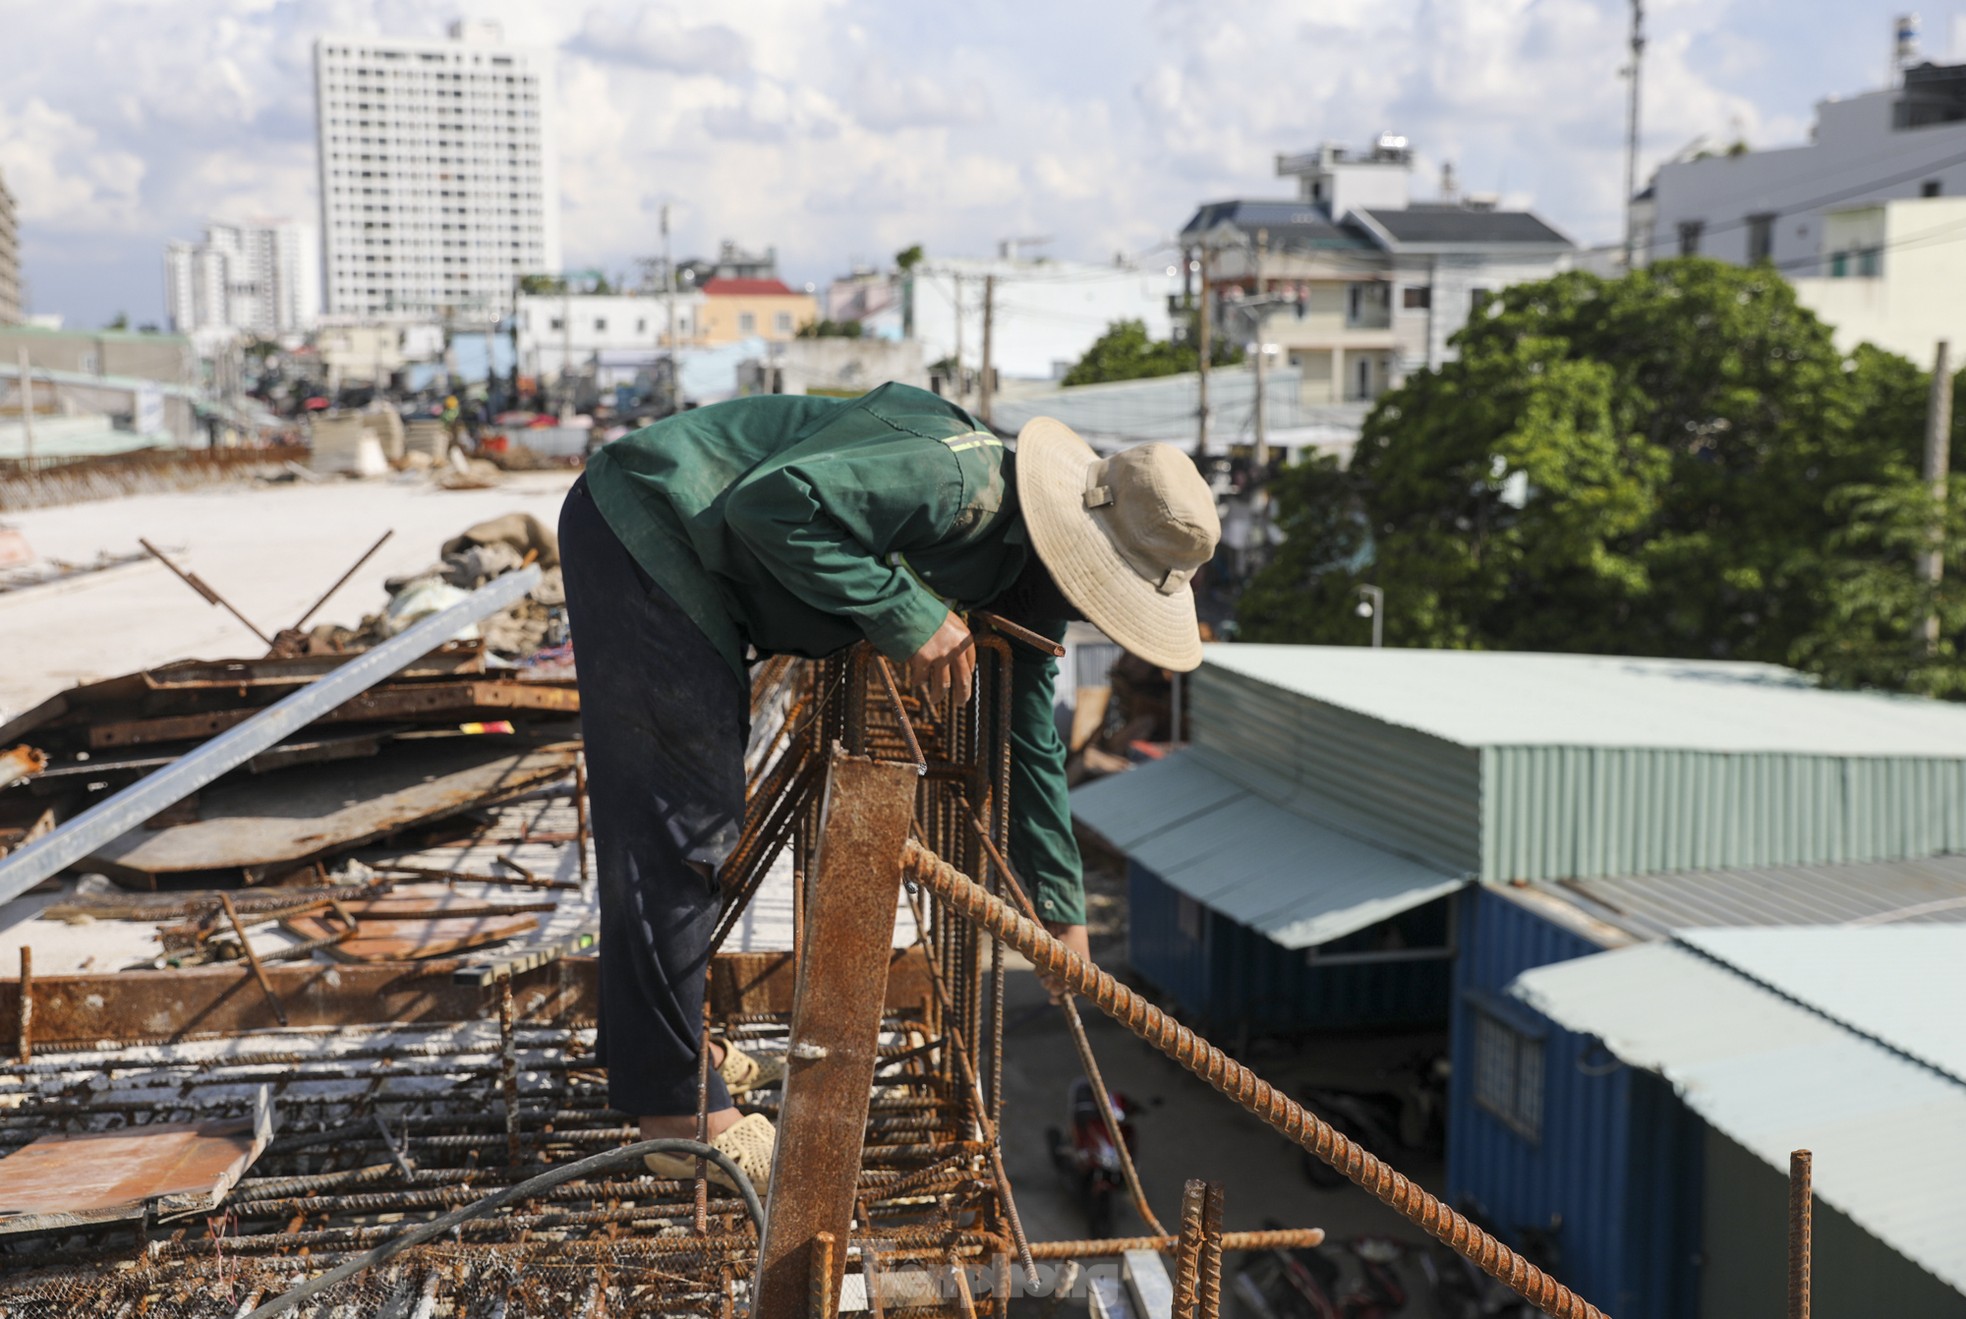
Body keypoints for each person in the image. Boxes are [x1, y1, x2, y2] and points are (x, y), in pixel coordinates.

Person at [559, 382, 1219, 1188]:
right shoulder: (958, 483)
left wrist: (1058, 911)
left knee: (691, 820)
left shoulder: (1029, 578)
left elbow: (1023, 734)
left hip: (696, 569)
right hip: (649, 526)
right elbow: (771, 506)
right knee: (683, 821)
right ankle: (675, 1114)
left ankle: (672, 1052)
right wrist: (908, 610)